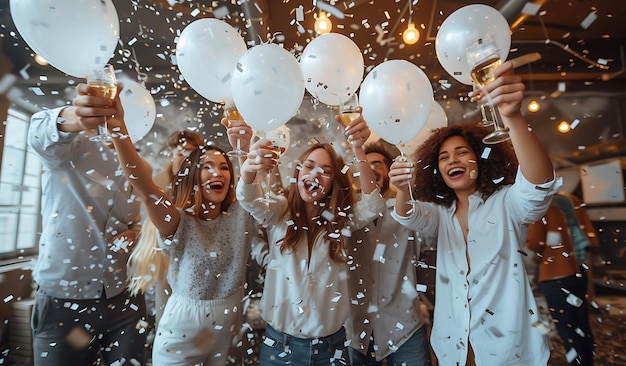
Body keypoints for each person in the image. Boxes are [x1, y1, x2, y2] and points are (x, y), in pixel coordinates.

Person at [388, 59, 562, 365]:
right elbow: (407, 215)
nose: (452, 160)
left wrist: (513, 117)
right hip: (452, 346)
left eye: (462, 152)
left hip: (511, 349)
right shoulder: (441, 213)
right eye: (443, 157)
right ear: (436, 169)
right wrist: (402, 188)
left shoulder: (507, 203)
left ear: (480, 159)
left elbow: (539, 185)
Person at [98, 82, 262, 366]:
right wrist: (118, 130)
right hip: (184, 327)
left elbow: (259, 187)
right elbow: (145, 188)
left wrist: (247, 148)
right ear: (193, 178)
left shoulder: (242, 213)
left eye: (224, 166)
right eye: (207, 166)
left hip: (230, 324)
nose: (217, 171)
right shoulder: (178, 219)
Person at [235, 107, 385, 365]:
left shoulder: (341, 219)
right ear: (299, 173)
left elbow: (373, 205)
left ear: (332, 183)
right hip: (280, 347)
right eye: (309, 166)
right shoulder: (280, 210)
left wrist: (358, 148)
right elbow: (249, 199)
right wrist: (249, 166)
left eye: (326, 171)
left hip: (331, 349)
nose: (315, 174)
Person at [28, 93, 148, 365]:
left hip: (124, 299)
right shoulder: (64, 151)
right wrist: (74, 117)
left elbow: (135, 222)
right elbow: (38, 132)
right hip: (65, 304)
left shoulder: (133, 164)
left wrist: (135, 234)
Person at [346, 141, 431, 365]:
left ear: (389, 171)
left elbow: (429, 232)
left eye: (378, 164)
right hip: (355, 329)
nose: (371, 168)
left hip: (404, 327)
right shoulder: (346, 216)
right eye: (364, 164)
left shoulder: (408, 210)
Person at [127, 130, 203, 332]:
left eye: (191, 153)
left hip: (194, 260)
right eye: (181, 152)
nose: (186, 158)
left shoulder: (205, 186)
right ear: (171, 155)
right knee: (165, 314)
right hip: (162, 262)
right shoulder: (158, 184)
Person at [526, 205, 595, 366]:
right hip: (575, 270)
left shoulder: (539, 210)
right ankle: (587, 361)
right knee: (581, 323)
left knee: (567, 328)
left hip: (554, 275)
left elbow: (535, 243)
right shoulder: (561, 208)